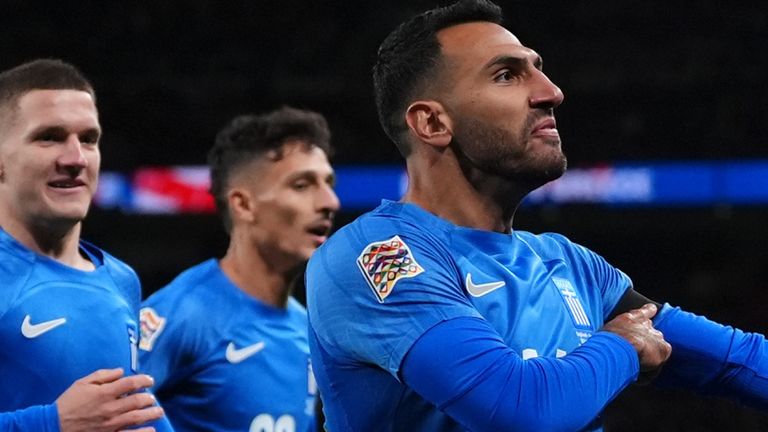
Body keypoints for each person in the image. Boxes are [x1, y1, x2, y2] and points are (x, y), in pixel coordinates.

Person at [305, 1, 768, 431]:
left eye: (538, 69)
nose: (552, 93)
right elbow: (522, 412)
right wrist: (623, 345)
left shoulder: (573, 265)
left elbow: (738, 361)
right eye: (507, 75)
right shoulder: (376, 255)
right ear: (432, 123)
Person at [139, 106, 339, 431]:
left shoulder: (307, 328)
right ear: (244, 204)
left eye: (329, 183)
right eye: (302, 185)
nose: (330, 201)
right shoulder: (183, 313)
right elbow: (104, 413)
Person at [0, 59, 172, 431]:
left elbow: (130, 412)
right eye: (49, 137)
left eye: (89, 139)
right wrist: (52, 422)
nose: (76, 159)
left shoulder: (121, 280)